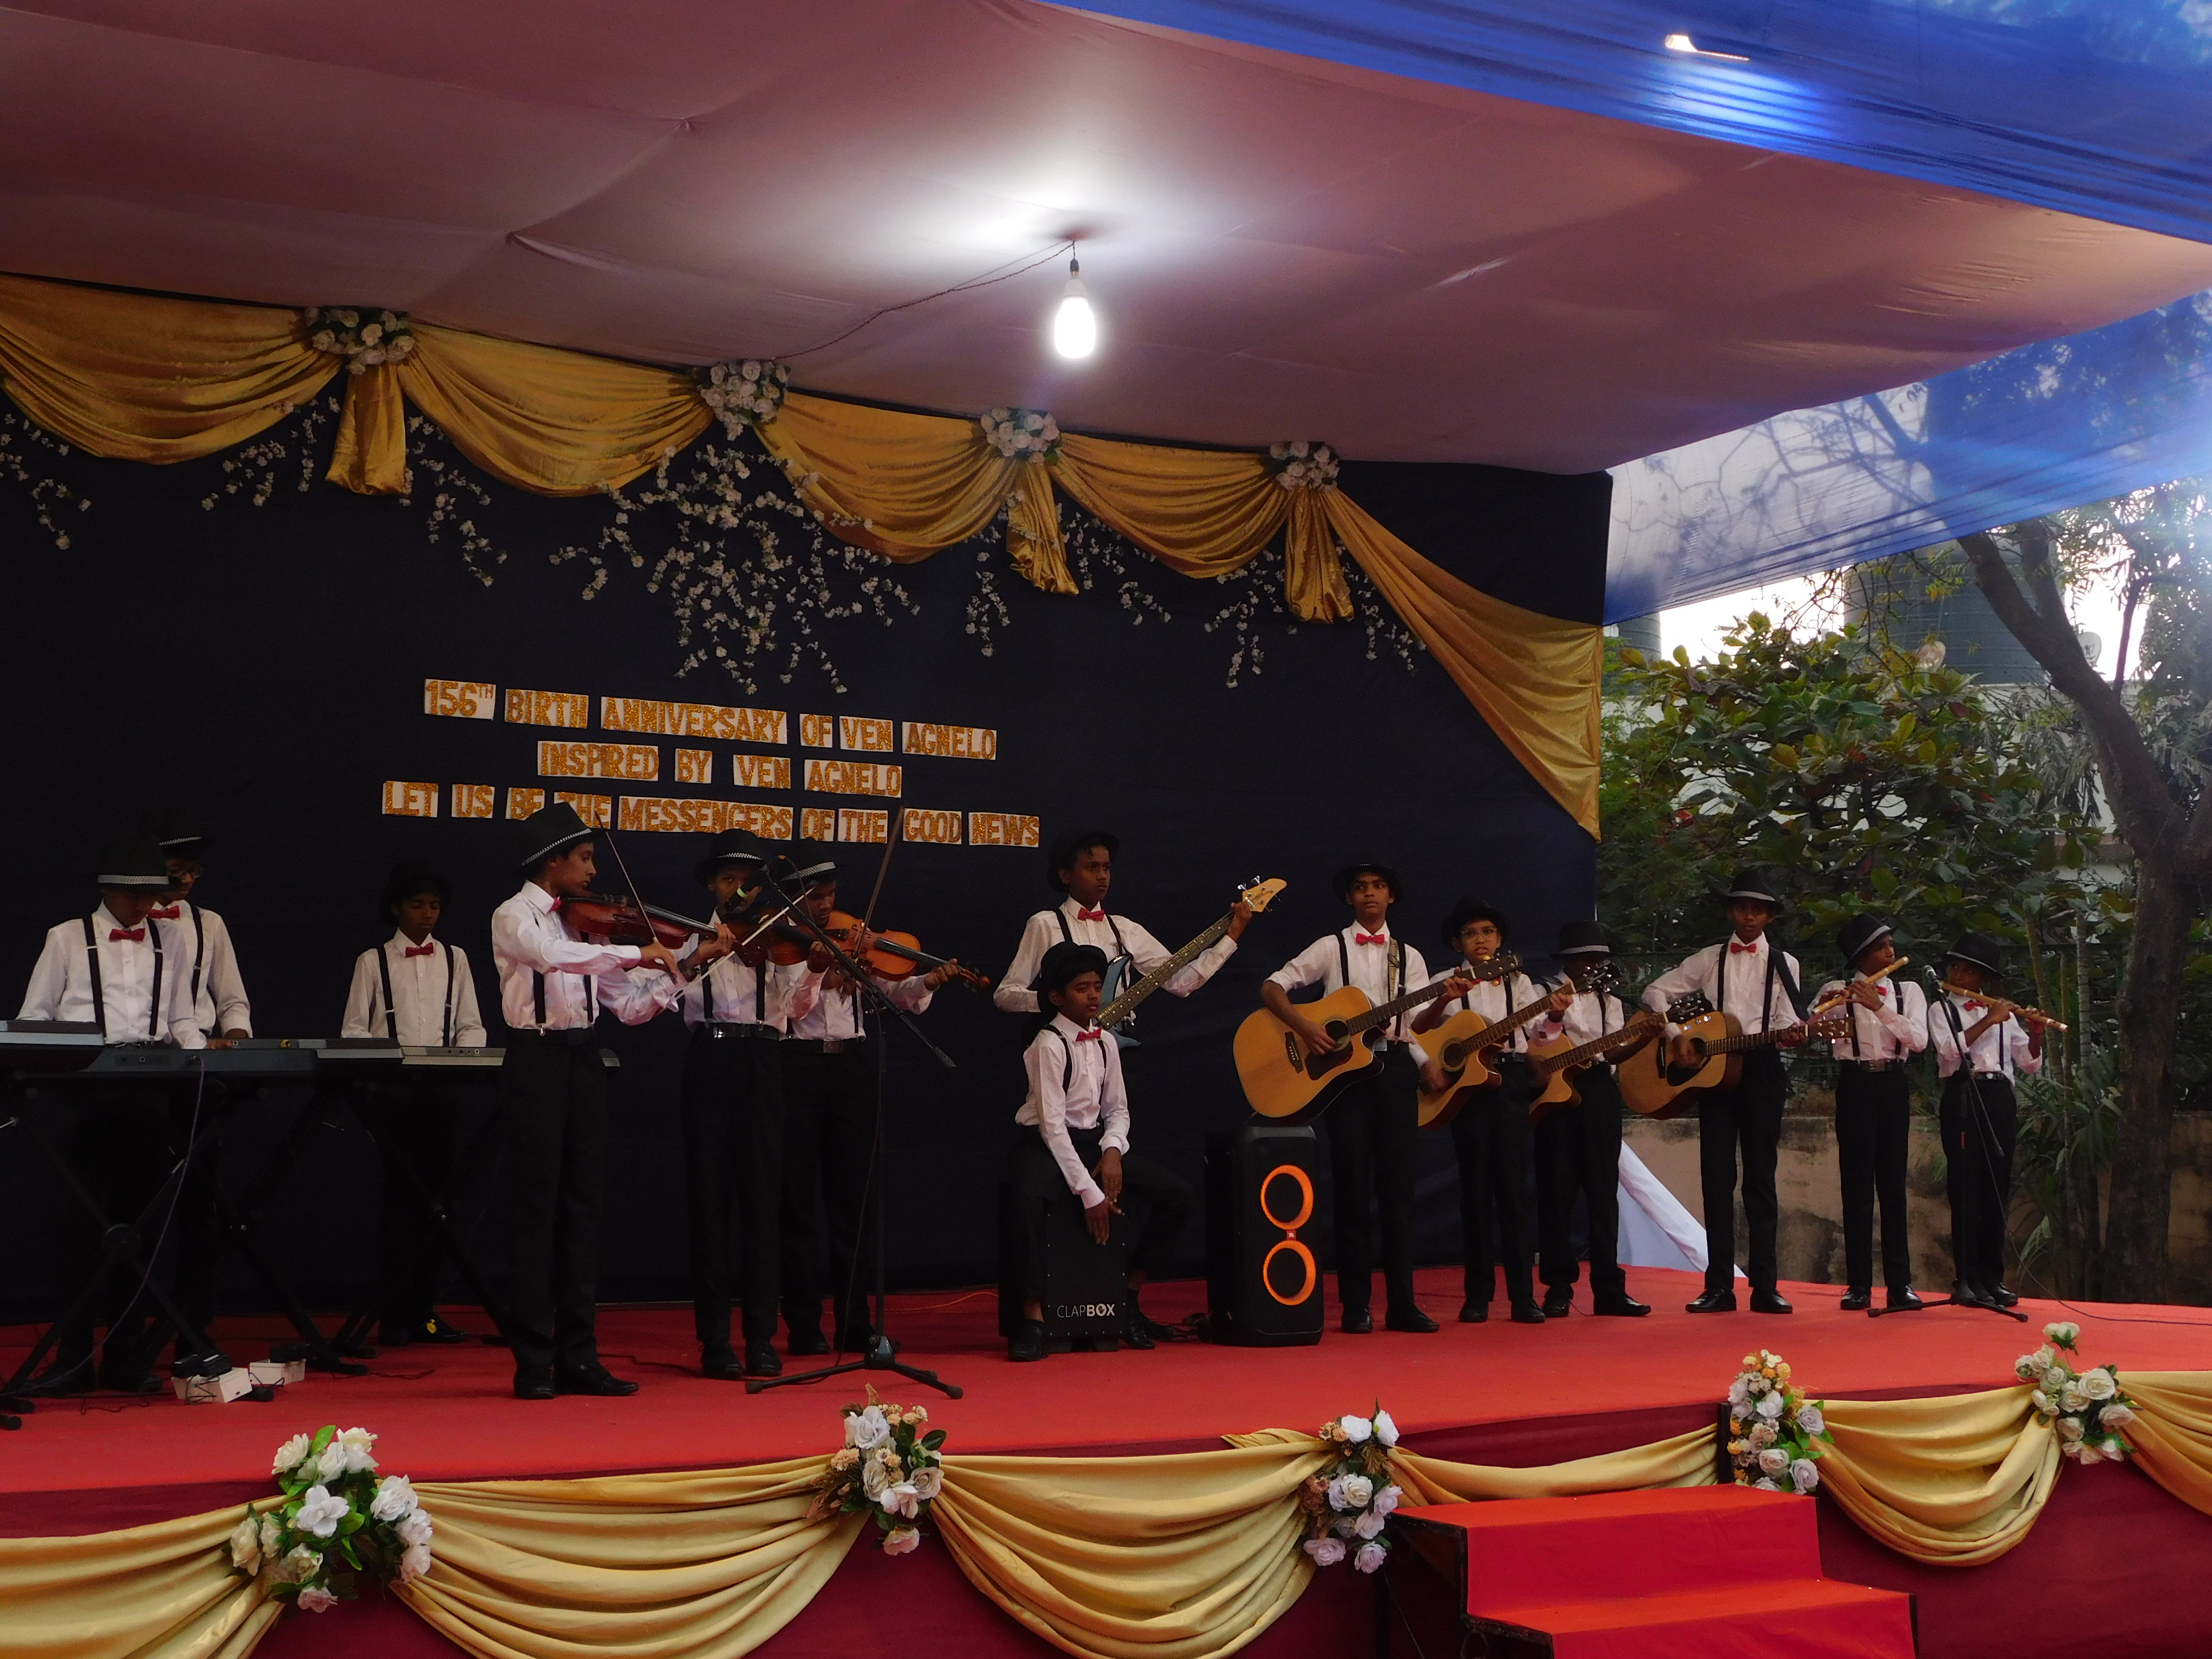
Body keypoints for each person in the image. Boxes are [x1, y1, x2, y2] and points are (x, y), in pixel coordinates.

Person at [492, 803, 688, 1399]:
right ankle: (533, 1361)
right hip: (537, 1059)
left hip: (584, 1059)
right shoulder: (514, 915)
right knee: (537, 1211)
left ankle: (579, 1357)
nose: (593, 869)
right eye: (584, 858)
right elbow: (550, 956)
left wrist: (685, 966)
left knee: (582, 1208)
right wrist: (635, 952)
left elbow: (627, 1007)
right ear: (553, 862)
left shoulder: (586, 926)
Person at [19, 834, 204, 1394]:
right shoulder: (67, 938)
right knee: (80, 1229)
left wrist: (203, 1055)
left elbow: (182, 1017)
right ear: (107, 890)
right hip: (82, 1091)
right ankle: (73, 1361)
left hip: (147, 1090)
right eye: (133, 896)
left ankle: (127, 1359)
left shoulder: (171, 940)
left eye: (151, 896)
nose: (144, 906)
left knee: (139, 1230)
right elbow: (35, 1017)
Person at [1262, 855, 1465, 1335]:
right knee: (1352, 1189)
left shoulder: (1409, 956)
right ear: (1350, 897)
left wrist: (1442, 998)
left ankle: (1403, 1305)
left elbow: (1416, 1025)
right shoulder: (1331, 947)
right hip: (1346, 1078)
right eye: (1361, 886)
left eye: (1378, 885)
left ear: (1390, 896)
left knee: (1398, 1191)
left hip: (1395, 1072)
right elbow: (1273, 987)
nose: (1370, 893)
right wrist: (1306, 1028)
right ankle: (1356, 1305)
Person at [776, 848, 962, 1358]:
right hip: (797, 1066)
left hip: (852, 1068)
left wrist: (926, 981)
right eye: (816, 897)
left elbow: (892, 990)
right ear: (792, 898)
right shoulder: (780, 943)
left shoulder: (851, 939)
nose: (826, 906)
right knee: (796, 1200)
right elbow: (787, 1007)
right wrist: (820, 975)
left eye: (831, 896)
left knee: (853, 1202)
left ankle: (855, 1324)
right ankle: (803, 1324)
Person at [678, 829, 824, 1381]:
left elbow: (798, 1010)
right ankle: (715, 1340)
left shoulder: (779, 936)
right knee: (710, 1204)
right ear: (713, 886)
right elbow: (673, 994)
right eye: (727, 879)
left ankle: (762, 1336)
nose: (738, 889)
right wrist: (705, 955)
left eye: (747, 880)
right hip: (712, 1057)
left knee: (764, 1203)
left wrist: (809, 967)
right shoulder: (691, 938)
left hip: (766, 1060)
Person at [1003, 941, 1193, 1361]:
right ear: (1057, 998)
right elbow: (1053, 1127)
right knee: (1026, 1199)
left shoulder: (1106, 1040)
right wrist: (1089, 1193)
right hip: (1044, 1145)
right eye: (1082, 989)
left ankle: (1127, 1296)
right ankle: (1033, 1318)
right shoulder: (1048, 1044)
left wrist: (1111, 1153)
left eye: (1096, 987)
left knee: (1178, 1196)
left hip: (1093, 1142)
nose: (1093, 996)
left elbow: (1118, 1111)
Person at [1642, 867, 1807, 1314]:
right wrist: (1678, 1037)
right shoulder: (1709, 958)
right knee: (1716, 1179)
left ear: (1770, 917)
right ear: (1732, 912)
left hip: (1761, 1069)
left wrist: (1792, 1034)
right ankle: (1718, 1287)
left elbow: (1788, 1020)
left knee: (1761, 1178)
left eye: (1758, 910)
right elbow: (1655, 993)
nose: (1749, 917)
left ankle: (1766, 1287)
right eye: (1742, 908)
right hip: (1714, 1071)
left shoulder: (1785, 963)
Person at [341, 859, 487, 1346]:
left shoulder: (456, 959)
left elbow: (470, 1025)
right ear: (396, 908)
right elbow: (354, 1032)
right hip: (393, 1093)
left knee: (438, 1203)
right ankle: (393, 1315)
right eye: (418, 905)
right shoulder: (372, 961)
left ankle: (425, 1311)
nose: (428, 914)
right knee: (400, 1205)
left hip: (442, 1090)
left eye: (435, 906)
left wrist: (462, 1061)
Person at [1412, 896, 1567, 1325]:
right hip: (1468, 1090)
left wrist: (1554, 1016)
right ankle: (1477, 1295)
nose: (1480, 940)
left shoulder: (1521, 982)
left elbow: (1541, 1037)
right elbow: (1414, 1029)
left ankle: (1523, 1297)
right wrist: (1440, 1013)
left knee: (1515, 1192)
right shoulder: (1443, 982)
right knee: (1475, 1191)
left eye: (1488, 932)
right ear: (1457, 944)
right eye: (1471, 934)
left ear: (1500, 940)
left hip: (1510, 1081)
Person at [995, 827, 1251, 1027]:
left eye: (1106, 868)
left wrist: (1232, 935)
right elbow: (1005, 995)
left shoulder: (1125, 929)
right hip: (1062, 1047)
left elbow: (1181, 983)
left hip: (1117, 1049)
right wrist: (1055, 1001)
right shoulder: (1044, 925)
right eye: (1091, 867)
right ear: (1066, 875)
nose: (1102, 876)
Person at [1532, 919, 1651, 1320]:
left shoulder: (1609, 1000)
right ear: (1570, 961)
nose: (1595, 967)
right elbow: (1536, 1044)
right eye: (1588, 960)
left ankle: (1609, 1289)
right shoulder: (1542, 992)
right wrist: (1553, 1015)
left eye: (1600, 960)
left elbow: (1612, 1051)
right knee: (1557, 1192)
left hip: (1599, 1089)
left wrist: (1644, 1037)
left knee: (1603, 1192)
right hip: (1557, 1093)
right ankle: (1557, 1288)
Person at [1928, 931, 2044, 1310]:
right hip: (1963, 1093)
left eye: (1968, 970)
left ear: (1983, 977)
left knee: (1996, 1186)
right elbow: (1949, 1052)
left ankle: (1994, 1278)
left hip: (1999, 1097)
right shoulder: (1943, 1009)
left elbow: (2028, 1063)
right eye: (1956, 967)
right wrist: (1990, 1021)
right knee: (1966, 1187)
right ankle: (1967, 1279)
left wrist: (2036, 1035)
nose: (1959, 975)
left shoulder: (2001, 1012)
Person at [1817, 914, 1928, 1312]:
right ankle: (1858, 1284)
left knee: (1894, 1185)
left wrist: (1879, 1006)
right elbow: (1810, 1031)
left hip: (1893, 1083)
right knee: (1857, 1186)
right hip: (1855, 1084)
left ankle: (1901, 1285)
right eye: (1883, 947)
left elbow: (1918, 1040)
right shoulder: (1834, 989)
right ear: (1863, 956)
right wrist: (1832, 1008)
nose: (1891, 952)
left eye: (1890, 945)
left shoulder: (1907, 991)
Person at [139, 811, 252, 1042]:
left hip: (195, 1044)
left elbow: (232, 1000)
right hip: (138, 1043)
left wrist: (236, 1043)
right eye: (177, 871)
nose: (188, 879)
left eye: (194, 870)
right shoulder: (126, 924)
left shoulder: (209, 923)